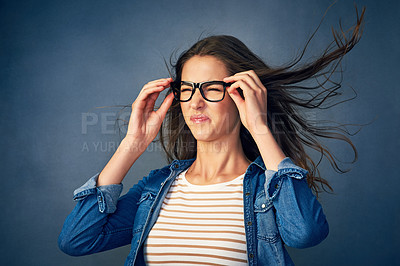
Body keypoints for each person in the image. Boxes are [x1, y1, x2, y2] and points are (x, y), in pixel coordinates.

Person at [58, 7, 365, 266]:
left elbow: (306, 234)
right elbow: (77, 239)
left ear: (241, 95)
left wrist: (260, 128)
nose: (196, 102)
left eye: (212, 89)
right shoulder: (156, 187)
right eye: (187, 89)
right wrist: (131, 145)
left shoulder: (264, 189)